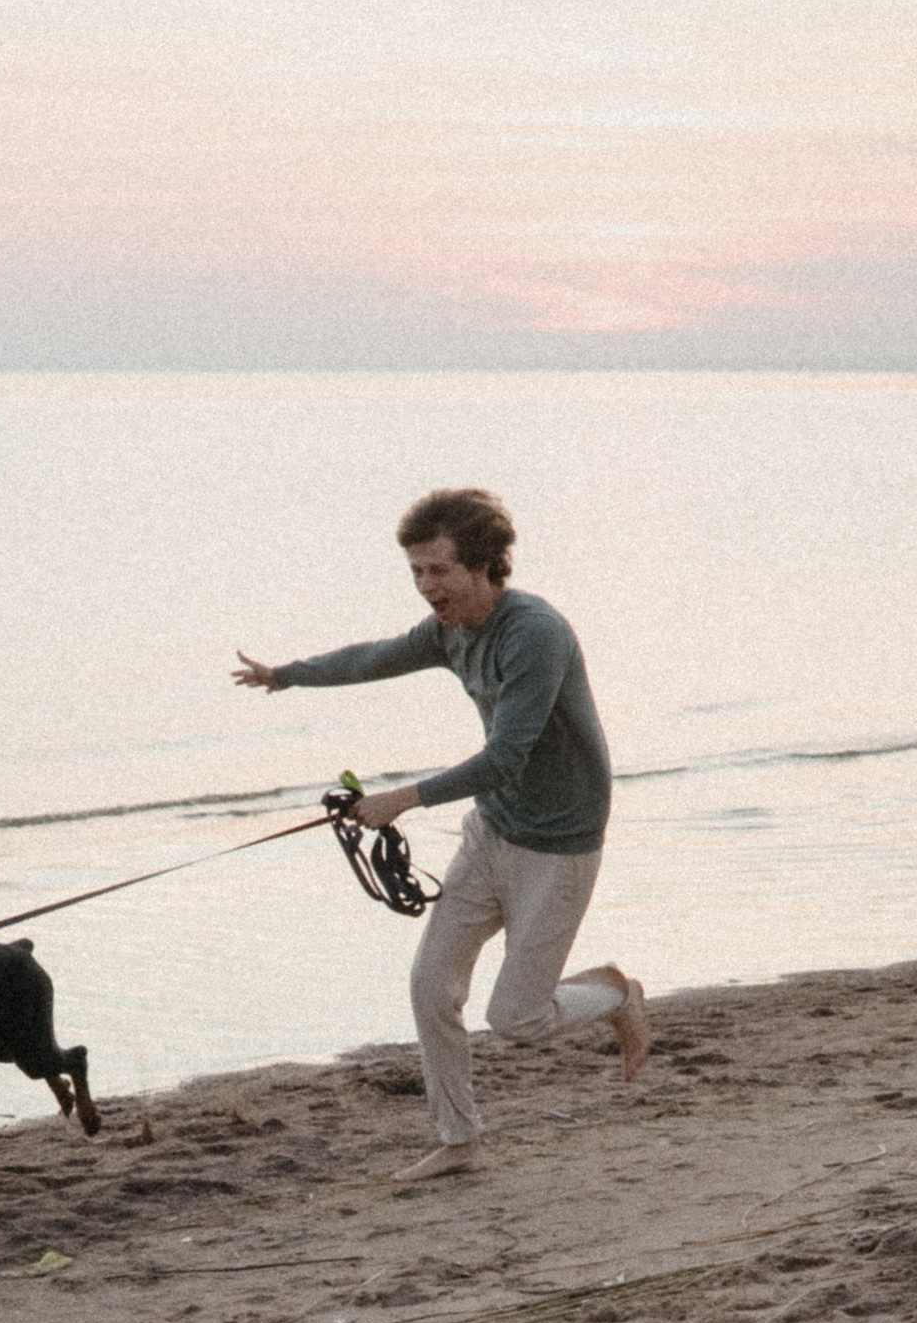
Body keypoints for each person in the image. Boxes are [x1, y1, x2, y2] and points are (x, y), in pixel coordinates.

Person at [235, 486, 650, 1182]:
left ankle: (616, 997)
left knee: (516, 1019)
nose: (427, 587)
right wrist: (287, 676)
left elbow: (507, 754)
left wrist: (403, 799)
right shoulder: (448, 630)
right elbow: (374, 657)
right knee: (432, 984)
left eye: (439, 571)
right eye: (417, 573)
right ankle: (461, 1141)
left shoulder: (535, 634)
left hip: (560, 842)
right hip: (493, 829)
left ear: (484, 565)